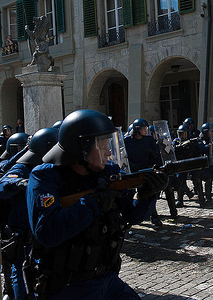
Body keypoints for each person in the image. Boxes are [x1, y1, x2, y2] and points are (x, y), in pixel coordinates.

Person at [25, 109, 168, 299]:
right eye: (102, 147)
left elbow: (132, 215)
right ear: (81, 148)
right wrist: (94, 202)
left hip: (106, 278)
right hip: (67, 285)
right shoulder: (45, 177)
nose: (109, 152)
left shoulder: (108, 172)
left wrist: (146, 196)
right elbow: (47, 232)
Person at [0, 127, 58, 300]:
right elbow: (4, 182)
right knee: (21, 271)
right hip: (21, 233)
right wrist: (20, 183)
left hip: (41, 230)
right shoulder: (22, 167)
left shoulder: (50, 169)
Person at [124, 118, 164, 226]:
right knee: (131, 194)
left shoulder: (149, 140)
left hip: (147, 169)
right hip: (134, 171)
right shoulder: (127, 141)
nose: (145, 131)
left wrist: (153, 155)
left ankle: (154, 216)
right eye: (143, 129)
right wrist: (132, 165)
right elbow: (124, 157)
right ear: (137, 130)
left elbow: (157, 153)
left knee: (150, 192)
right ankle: (131, 215)